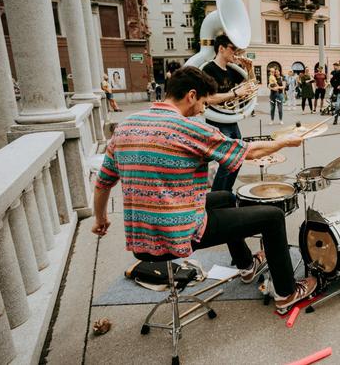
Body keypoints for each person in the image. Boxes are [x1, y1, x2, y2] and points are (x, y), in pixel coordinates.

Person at [92, 66, 316, 313]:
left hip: (141, 238)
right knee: (272, 217)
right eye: (203, 101)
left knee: (225, 197)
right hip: (176, 234)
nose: (203, 108)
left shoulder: (126, 126)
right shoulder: (188, 129)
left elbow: (103, 183)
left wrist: (100, 219)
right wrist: (285, 141)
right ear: (191, 95)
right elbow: (248, 151)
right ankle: (287, 292)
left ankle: (247, 266)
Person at [202, 34, 258, 192]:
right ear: (221, 48)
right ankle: (219, 196)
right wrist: (234, 94)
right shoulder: (209, 69)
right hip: (217, 121)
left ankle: (227, 192)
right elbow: (207, 98)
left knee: (238, 158)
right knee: (228, 161)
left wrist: (250, 69)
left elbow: (251, 86)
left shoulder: (231, 70)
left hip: (231, 120)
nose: (236, 53)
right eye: (233, 49)